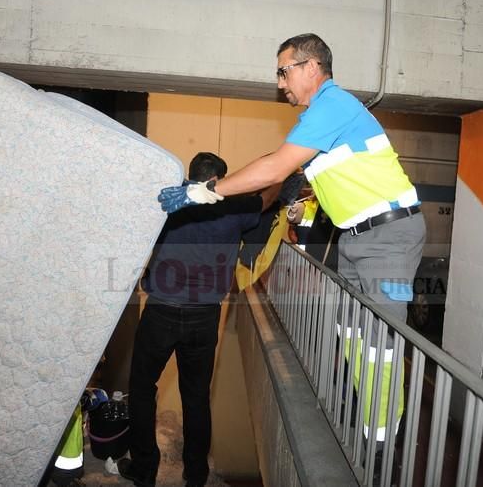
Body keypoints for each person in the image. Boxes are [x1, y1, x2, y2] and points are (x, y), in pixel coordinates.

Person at [158, 33, 426, 443]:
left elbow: (273, 168)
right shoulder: (320, 117)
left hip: (387, 237)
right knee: (354, 335)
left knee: (380, 346)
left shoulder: (333, 105)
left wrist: (204, 190)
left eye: (284, 71)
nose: (280, 83)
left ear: (311, 67)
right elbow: (312, 177)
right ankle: (366, 423)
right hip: (358, 238)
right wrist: (306, 207)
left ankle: (383, 447)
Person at [118, 152, 280, 487]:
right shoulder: (233, 209)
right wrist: (279, 174)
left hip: (160, 311)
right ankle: (195, 477)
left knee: (142, 390)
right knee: (196, 398)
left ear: (190, 176)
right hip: (204, 318)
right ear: (220, 180)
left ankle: (145, 470)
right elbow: (266, 198)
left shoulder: (170, 203)